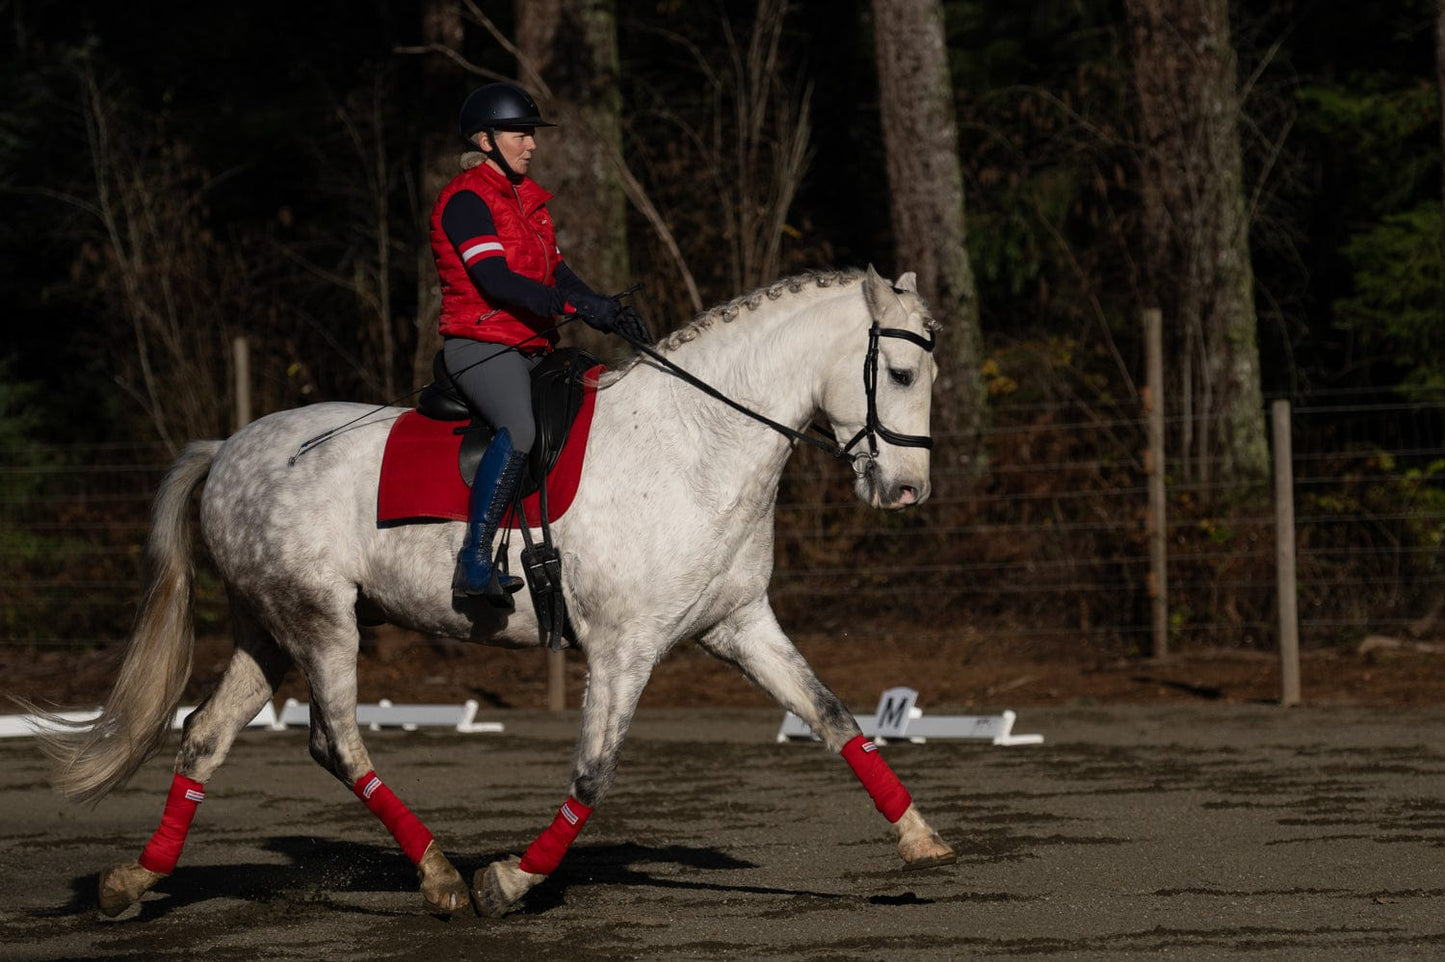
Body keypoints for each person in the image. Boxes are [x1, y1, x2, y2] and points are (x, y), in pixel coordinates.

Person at [431, 81, 647, 601]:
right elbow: (497, 282)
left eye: (532, 135)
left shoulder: (529, 201)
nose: (531, 144)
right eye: (519, 134)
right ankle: (474, 560)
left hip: (531, 345)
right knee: (521, 428)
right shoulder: (466, 201)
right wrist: (574, 307)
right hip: (481, 344)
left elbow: (558, 273)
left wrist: (604, 309)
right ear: (485, 141)